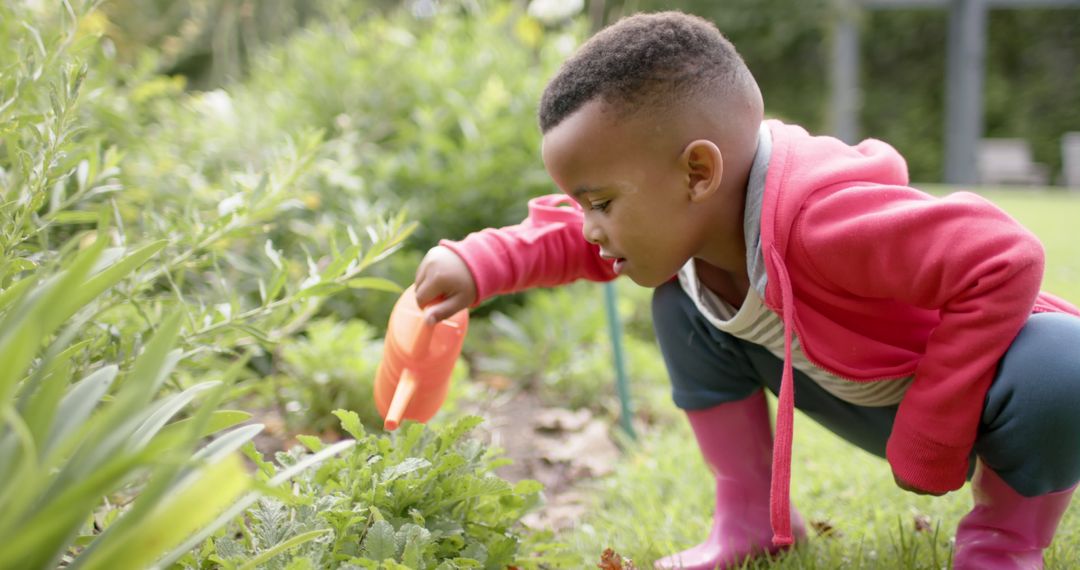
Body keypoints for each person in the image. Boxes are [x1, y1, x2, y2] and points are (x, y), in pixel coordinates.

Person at [412, 10, 1080, 570]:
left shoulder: (824, 219)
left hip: (969, 398)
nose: (590, 227)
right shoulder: (697, 217)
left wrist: (932, 432)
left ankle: (1003, 540)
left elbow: (1005, 257)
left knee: (1066, 365)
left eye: (603, 202)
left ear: (698, 171)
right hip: (862, 390)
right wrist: (478, 263)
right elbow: (564, 235)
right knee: (681, 303)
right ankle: (749, 518)